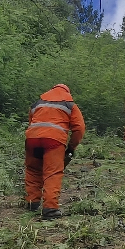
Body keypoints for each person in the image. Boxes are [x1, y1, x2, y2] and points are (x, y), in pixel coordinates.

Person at [25, 84, 86, 220]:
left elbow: (31, 121)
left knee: (33, 170)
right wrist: (71, 147)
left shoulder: (37, 104)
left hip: (32, 139)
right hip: (54, 141)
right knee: (52, 173)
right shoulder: (70, 105)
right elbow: (79, 128)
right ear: (67, 93)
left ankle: (32, 202)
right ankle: (50, 209)